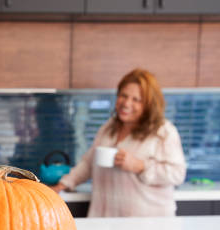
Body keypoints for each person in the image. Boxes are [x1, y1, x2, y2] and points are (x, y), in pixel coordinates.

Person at [51, 68, 187, 217]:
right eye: (123, 95)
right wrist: (62, 185)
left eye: (136, 100)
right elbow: (88, 163)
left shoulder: (163, 132)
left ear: (149, 105)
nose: (126, 103)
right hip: (106, 218)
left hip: (147, 222)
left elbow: (177, 174)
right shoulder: (109, 128)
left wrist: (140, 166)